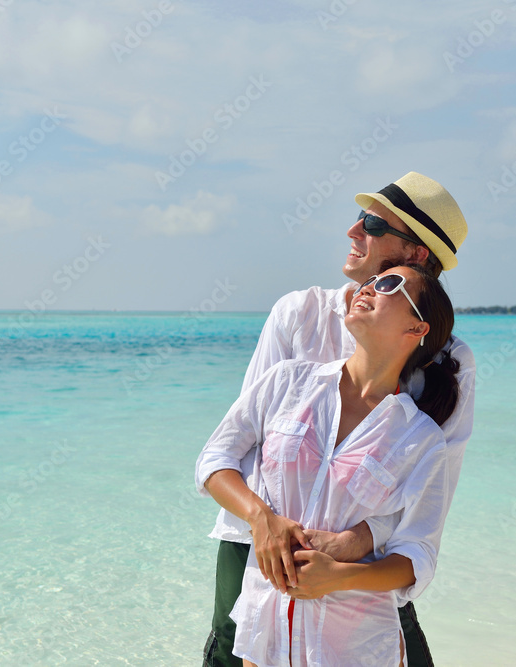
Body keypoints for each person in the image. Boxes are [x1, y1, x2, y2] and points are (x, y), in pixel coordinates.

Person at [200, 172, 476, 667]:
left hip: (363, 560)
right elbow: (240, 445)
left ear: (416, 254)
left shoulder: (449, 360)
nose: (353, 231)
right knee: (229, 646)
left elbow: (426, 497)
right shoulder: (298, 314)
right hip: (254, 541)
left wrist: (354, 543)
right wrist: (266, 524)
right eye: (359, 218)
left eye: (373, 225)